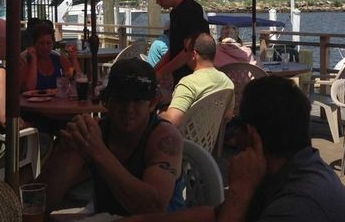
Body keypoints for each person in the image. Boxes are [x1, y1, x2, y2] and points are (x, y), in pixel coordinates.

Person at [123, 77, 345, 222]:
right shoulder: (289, 169)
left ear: (251, 136)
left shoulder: (297, 206)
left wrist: (239, 192)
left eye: (237, 128)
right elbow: (215, 215)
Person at [40, 58, 185, 216]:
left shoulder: (165, 137)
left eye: (137, 100)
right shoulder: (93, 133)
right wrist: (64, 150)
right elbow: (42, 202)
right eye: (121, 99)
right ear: (107, 102)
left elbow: (153, 208)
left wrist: (98, 152)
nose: (129, 109)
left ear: (152, 104)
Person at [161, 33, 234, 126]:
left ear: (193, 55)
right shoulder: (227, 82)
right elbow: (228, 116)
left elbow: (171, 121)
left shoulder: (188, 84)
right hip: (212, 138)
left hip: (186, 138)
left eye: (185, 50)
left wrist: (158, 115)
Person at [151, 0, 209, 84]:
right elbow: (175, 48)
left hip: (194, 77)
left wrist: (161, 72)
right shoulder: (174, 13)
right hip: (179, 76)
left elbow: (189, 51)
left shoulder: (192, 10)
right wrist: (153, 72)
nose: (157, 2)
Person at [20, 23, 79, 92]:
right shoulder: (26, 61)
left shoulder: (58, 60)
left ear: (53, 44)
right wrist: (34, 60)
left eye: (49, 43)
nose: (45, 47)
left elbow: (78, 80)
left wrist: (74, 59)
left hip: (56, 102)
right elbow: (29, 89)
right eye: (41, 43)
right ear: (34, 44)